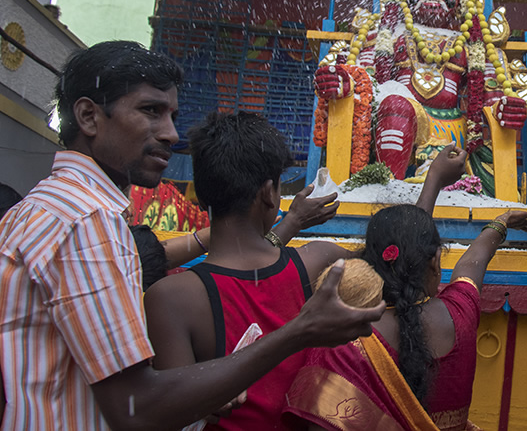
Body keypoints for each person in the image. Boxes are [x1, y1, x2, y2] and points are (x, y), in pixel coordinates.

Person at [0, 41, 384, 431]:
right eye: (150, 111)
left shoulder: (39, 210)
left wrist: (204, 391)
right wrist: (297, 333)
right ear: (88, 116)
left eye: (172, 115)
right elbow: (138, 409)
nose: (170, 133)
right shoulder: (86, 223)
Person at [284, 154, 527, 431]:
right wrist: (500, 224)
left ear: (371, 263)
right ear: (433, 262)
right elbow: (472, 263)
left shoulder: (344, 341)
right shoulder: (460, 313)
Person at [143, 110, 363, 430]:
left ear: (203, 192)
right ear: (268, 192)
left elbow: (174, 415)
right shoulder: (322, 261)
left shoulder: (171, 298)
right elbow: (399, 269)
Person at [313, 0, 527, 196]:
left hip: (452, 128)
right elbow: (364, 83)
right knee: (396, 105)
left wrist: (506, 108)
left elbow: (492, 95)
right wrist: (343, 83)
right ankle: (387, 188)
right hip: (392, 119)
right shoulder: (384, 34)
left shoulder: (473, 40)